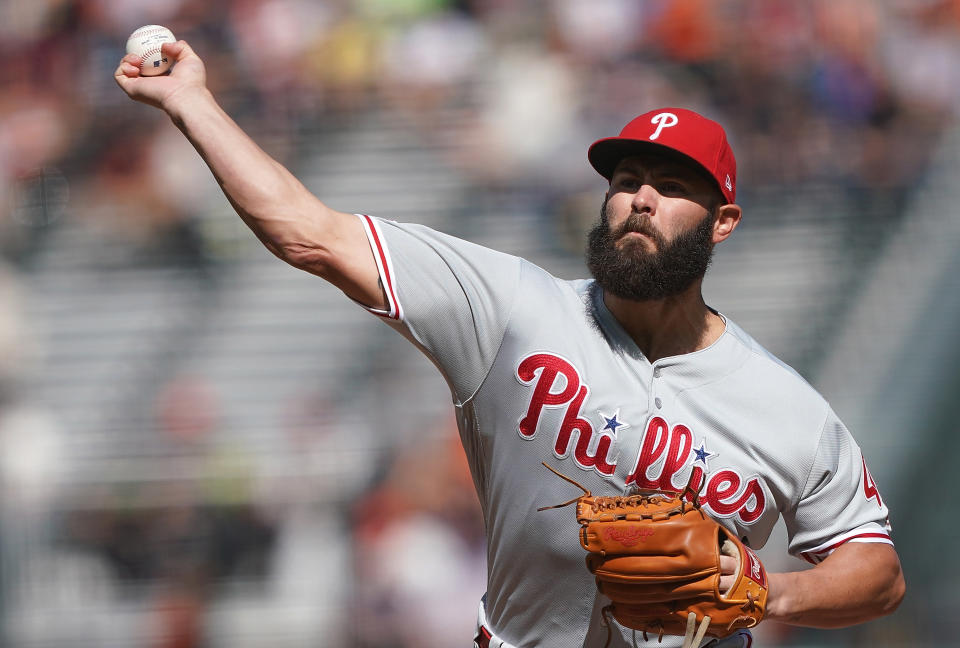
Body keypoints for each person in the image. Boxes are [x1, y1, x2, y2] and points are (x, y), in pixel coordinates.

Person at [115, 41, 905, 648]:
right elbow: (308, 234)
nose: (640, 199)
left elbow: (877, 572)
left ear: (722, 222)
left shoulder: (784, 405)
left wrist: (771, 588)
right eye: (627, 178)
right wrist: (191, 102)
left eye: (672, 187)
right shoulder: (511, 309)